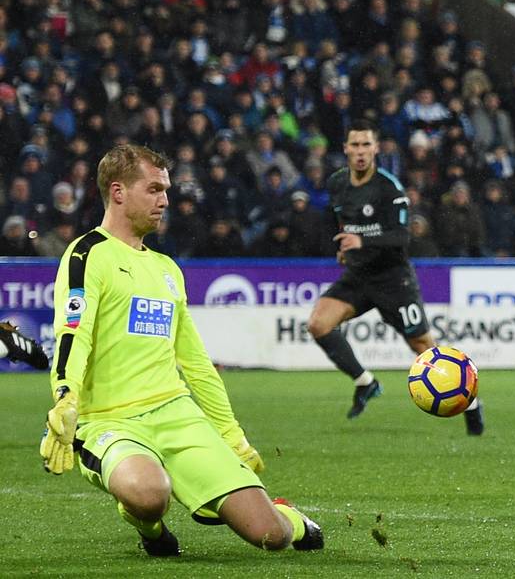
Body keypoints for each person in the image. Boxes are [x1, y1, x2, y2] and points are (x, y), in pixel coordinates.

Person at [38, 144, 322, 556]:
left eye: (165, 190)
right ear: (118, 192)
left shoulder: (167, 269)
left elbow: (196, 363)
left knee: (270, 536)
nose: (165, 200)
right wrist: (66, 396)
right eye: (154, 189)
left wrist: (231, 434)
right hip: (110, 421)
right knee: (150, 493)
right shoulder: (87, 255)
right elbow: (72, 334)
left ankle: (291, 519)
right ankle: (149, 527)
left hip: (176, 414)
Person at [306, 120, 484, 434]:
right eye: (355, 145)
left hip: (393, 279)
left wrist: (363, 241)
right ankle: (366, 382)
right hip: (359, 275)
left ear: (375, 149)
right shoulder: (337, 183)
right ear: (346, 149)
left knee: (424, 348)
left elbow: (402, 237)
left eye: (366, 145)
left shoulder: (389, 188)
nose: (360, 151)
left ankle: (470, 402)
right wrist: (346, 247)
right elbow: (342, 219)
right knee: (318, 323)